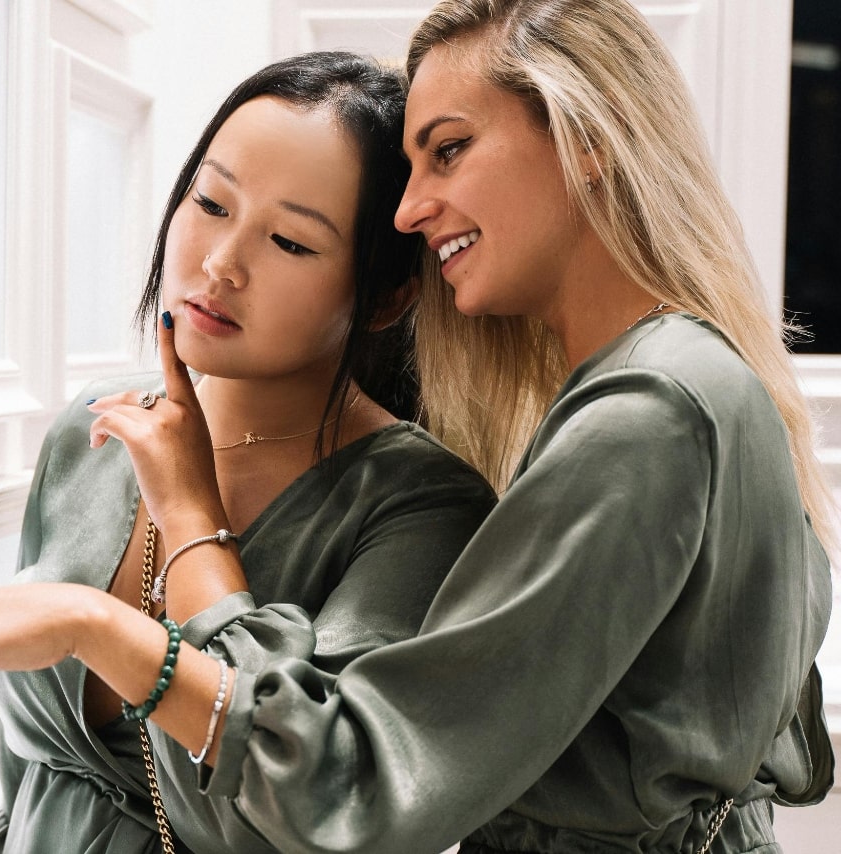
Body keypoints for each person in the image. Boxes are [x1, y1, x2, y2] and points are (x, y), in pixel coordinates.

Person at [166, 2, 832, 852]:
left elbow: (348, 785)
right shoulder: (696, 378)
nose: (409, 211)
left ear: (587, 139)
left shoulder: (648, 417)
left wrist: (173, 552)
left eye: (448, 150)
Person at [0, 52, 496, 853]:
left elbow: (304, 808)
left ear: (384, 295)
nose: (219, 264)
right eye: (210, 201)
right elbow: (26, 767)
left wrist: (184, 520)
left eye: (290, 242)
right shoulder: (93, 429)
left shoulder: (422, 506)